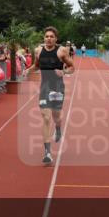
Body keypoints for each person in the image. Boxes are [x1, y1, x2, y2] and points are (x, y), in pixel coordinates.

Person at [27, 27, 75, 166]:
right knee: (46, 118)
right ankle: (47, 153)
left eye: (51, 36)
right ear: (44, 38)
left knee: (56, 117)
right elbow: (36, 66)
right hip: (44, 88)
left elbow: (72, 67)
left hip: (58, 88)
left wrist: (64, 72)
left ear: (56, 39)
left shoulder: (62, 51)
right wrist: (28, 70)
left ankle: (58, 128)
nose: (48, 38)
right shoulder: (38, 51)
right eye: (46, 36)